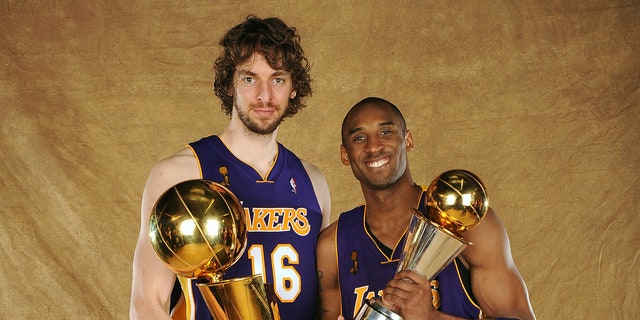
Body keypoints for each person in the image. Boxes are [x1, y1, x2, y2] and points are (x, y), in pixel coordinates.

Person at [129, 16, 331, 320]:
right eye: (250, 79)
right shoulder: (180, 174)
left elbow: (324, 299)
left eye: (277, 79)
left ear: (293, 88)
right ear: (229, 84)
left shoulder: (313, 182)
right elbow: (148, 303)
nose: (264, 95)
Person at [317, 97, 535, 320]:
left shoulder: (464, 220)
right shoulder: (333, 246)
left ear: (408, 140)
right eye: (360, 138)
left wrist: (432, 317)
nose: (373, 147)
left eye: (386, 132)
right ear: (345, 155)